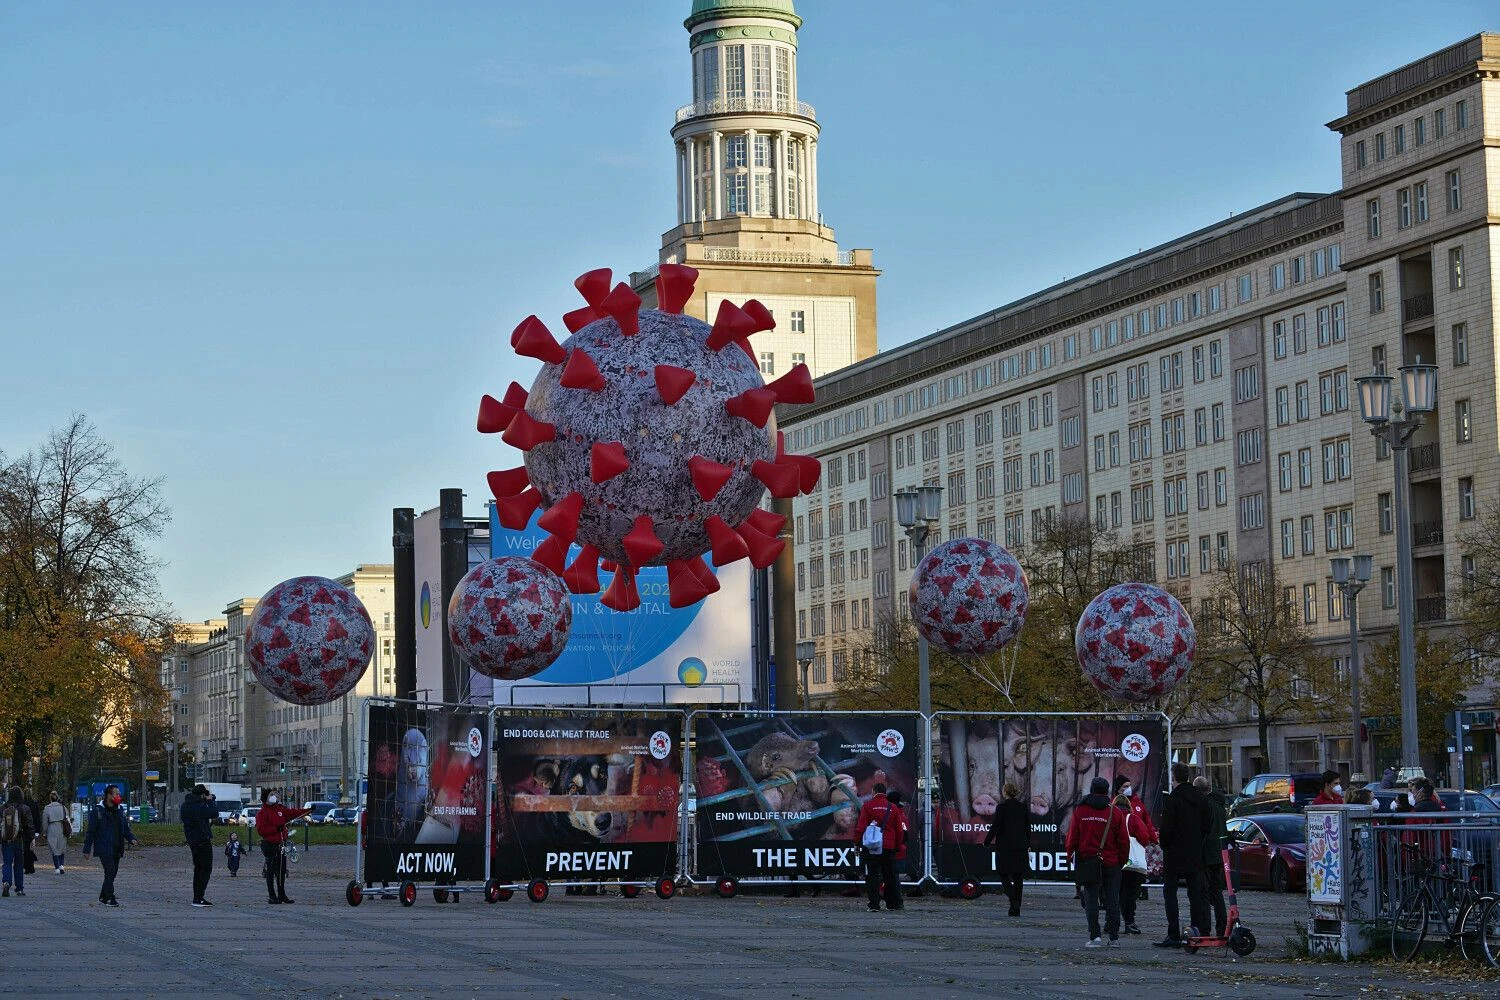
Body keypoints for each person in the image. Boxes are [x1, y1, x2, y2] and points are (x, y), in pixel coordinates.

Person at [1065, 776, 1128, 948]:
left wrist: (1071, 855)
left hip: (1089, 861)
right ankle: (1114, 937)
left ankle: (1095, 936)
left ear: (1091, 790)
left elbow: (1073, 837)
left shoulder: (1080, 811)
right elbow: (1123, 840)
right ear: (1107, 791)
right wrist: (1120, 861)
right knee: (1113, 900)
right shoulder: (1114, 812)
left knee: (1091, 898)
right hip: (1111, 862)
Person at [1155, 763, 1211, 947]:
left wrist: (1165, 844)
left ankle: (1173, 934)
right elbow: (1207, 825)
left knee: (1170, 892)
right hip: (1194, 852)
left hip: (1174, 853)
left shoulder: (1173, 800)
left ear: (1174, 778)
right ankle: (1196, 930)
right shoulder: (1201, 799)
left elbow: (1167, 828)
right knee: (1195, 893)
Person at [254, 788, 312, 904]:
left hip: (281, 844)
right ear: (266, 798)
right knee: (270, 871)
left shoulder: (280, 809)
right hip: (270, 845)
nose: (274, 796)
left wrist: (308, 810)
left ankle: (281, 894)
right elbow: (261, 830)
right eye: (271, 794)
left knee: (281, 870)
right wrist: (276, 829)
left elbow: (293, 813)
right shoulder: (262, 813)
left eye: (275, 794)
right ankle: (272, 895)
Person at [852, 782, 903, 912]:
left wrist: (857, 842)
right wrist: (897, 846)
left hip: (872, 847)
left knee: (872, 876)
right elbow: (899, 830)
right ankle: (893, 904)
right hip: (889, 846)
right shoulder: (893, 807)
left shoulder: (867, 806)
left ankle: (874, 904)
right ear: (885, 793)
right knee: (890, 876)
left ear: (873, 792)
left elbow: (861, 827)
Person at [82, 785, 136, 906]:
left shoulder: (120, 810)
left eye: (119, 794)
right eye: (116, 794)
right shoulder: (97, 811)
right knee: (110, 871)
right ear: (108, 796)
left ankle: (103, 896)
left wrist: (131, 838)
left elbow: (125, 828)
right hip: (104, 847)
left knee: (112, 873)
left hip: (117, 847)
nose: (118, 796)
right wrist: (87, 849)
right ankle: (110, 897)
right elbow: (91, 831)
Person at [984, 782, 1031, 917]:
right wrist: (1027, 843)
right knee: (1018, 877)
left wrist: (987, 841)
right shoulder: (1022, 807)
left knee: (1003, 874)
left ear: (1005, 792)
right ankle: (1016, 907)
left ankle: (1013, 900)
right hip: (1020, 846)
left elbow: (996, 826)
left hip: (1004, 846)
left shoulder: (1002, 808)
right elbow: (1028, 827)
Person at [1194, 776, 1230, 937]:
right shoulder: (1220, 807)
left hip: (1206, 855)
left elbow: (1201, 832)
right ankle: (1222, 928)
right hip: (1219, 854)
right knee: (1217, 894)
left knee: (1204, 894)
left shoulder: (1204, 806)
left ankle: (1205, 929)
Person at [1115, 792, 1151, 934]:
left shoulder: (1111, 818)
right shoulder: (1133, 819)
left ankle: (1110, 923)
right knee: (1129, 894)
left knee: (1113, 893)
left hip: (1115, 861)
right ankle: (1129, 922)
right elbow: (1144, 838)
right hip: (1131, 864)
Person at [181, 784, 218, 907]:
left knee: (198, 869)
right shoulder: (200, 806)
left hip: (192, 840)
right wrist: (211, 800)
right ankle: (199, 897)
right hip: (202, 840)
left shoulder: (186, 805)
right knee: (205, 869)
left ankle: (197, 896)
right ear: (202, 794)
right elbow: (214, 813)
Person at [1, 785, 36, 897]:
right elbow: (29, 825)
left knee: (7, 863)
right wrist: (31, 838)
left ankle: (6, 882)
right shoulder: (24, 808)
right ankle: (19, 889)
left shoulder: (3, 808)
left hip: (6, 840)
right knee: (19, 865)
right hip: (19, 840)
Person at [42, 792, 71, 874]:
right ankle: (62, 865)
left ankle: (57, 867)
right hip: (62, 828)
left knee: (54, 848)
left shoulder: (47, 808)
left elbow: (44, 822)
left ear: (50, 798)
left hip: (51, 828)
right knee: (61, 847)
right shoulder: (63, 807)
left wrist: (44, 832)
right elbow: (67, 818)